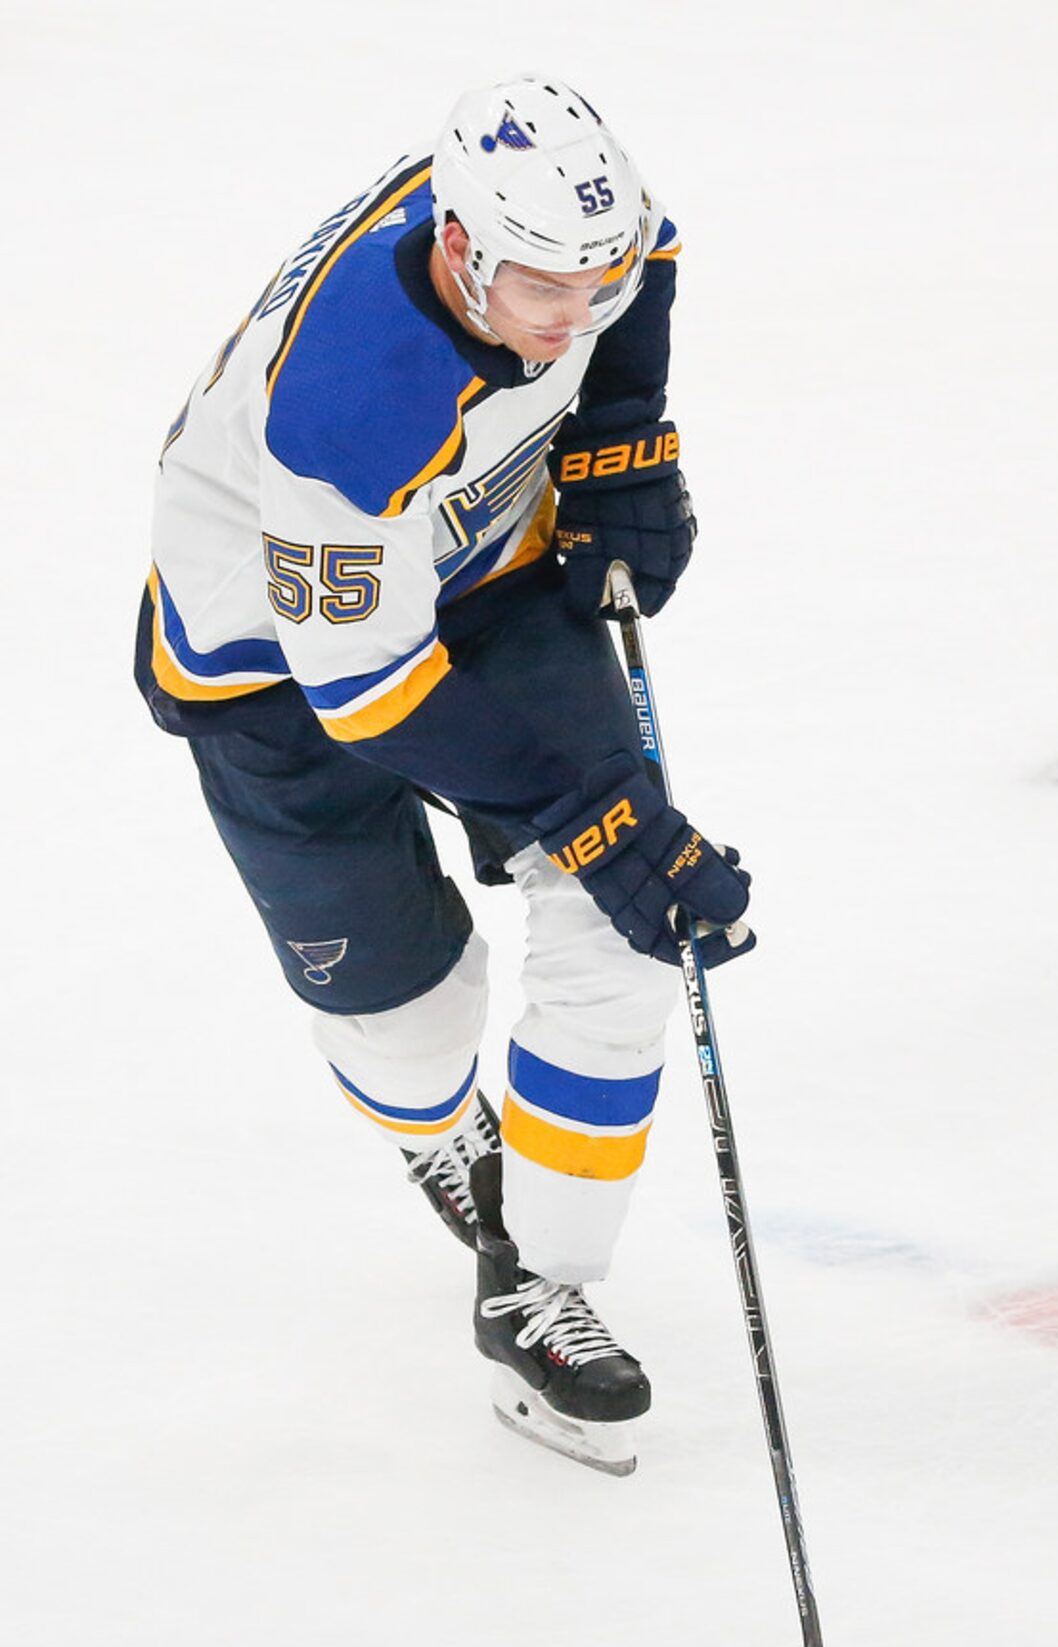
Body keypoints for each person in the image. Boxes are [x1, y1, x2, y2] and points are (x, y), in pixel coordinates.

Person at [138, 77, 752, 1474]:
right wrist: (588, 811)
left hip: (489, 571)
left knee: (627, 918)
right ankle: (436, 1125)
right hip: (278, 668)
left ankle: (537, 1278)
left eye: (591, 281)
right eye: (545, 290)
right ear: (463, 247)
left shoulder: (573, 239)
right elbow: (367, 688)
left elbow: (640, 269)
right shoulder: (350, 405)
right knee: (409, 1021)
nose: (573, 319)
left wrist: (618, 440)